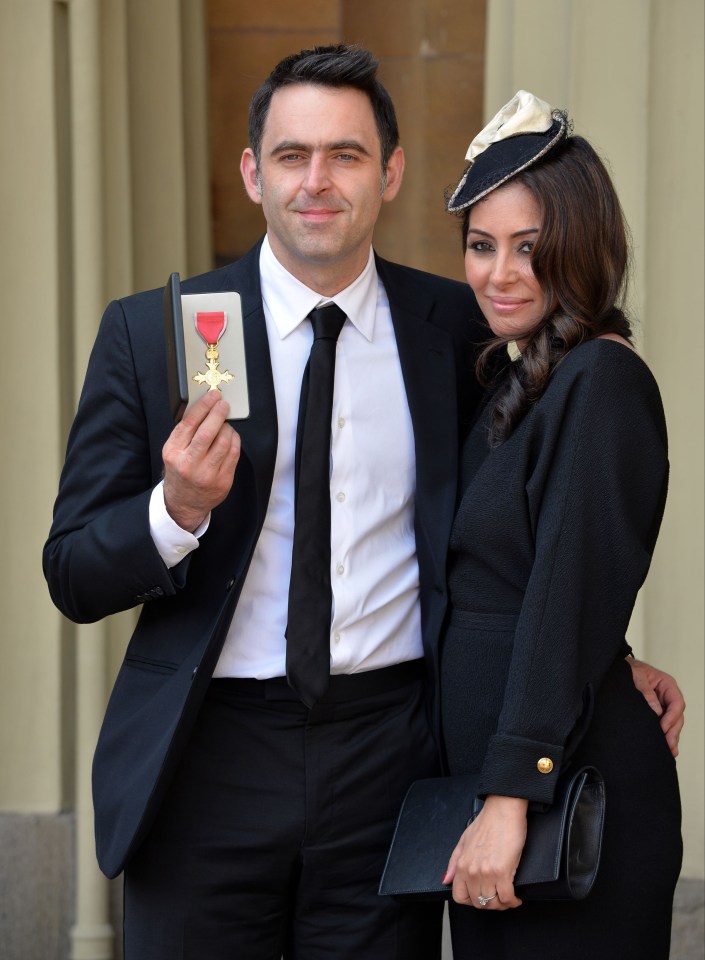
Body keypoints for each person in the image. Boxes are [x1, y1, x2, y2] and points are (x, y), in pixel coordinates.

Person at [42, 48, 683, 960]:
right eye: (292, 154)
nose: (316, 181)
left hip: (393, 766)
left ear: (389, 173)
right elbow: (70, 569)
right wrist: (173, 511)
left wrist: (605, 656)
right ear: (251, 172)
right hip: (207, 765)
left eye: (344, 154)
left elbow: (540, 523)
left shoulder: (461, 330)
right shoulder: (155, 334)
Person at [440, 91, 683, 959]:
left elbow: (560, 594)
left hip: (558, 805)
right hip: (511, 798)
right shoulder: (526, 381)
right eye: (480, 245)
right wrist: (614, 659)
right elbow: (536, 580)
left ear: (581, 250)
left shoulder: (599, 382)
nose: (498, 273)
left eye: (529, 249)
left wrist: (511, 798)